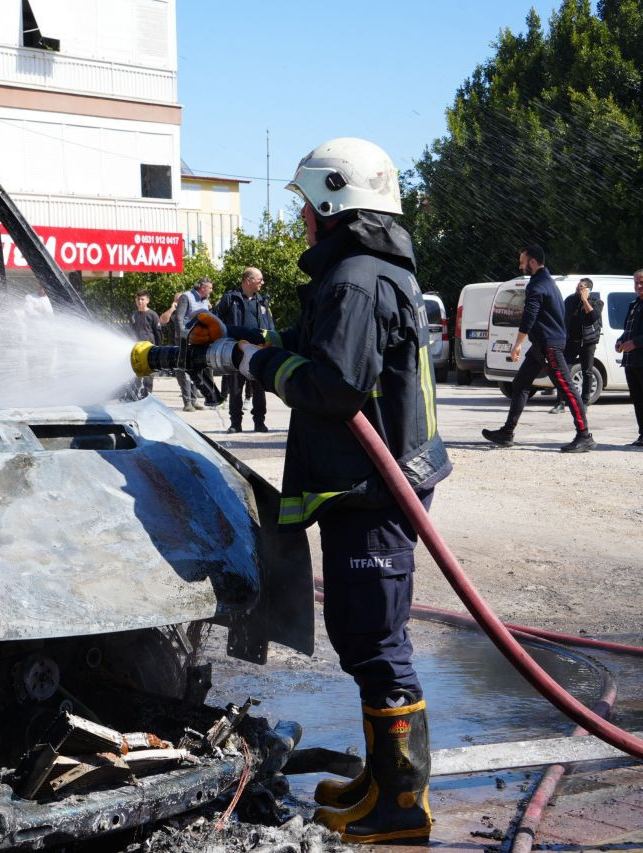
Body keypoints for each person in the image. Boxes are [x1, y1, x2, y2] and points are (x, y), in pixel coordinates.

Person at [223, 137, 449, 843]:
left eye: (305, 207)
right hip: (372, 485)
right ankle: (384, 780)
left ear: (331, 202)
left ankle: (402, 807)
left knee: (378, 643)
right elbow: (319, 347)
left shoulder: (355, 278)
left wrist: (257, 364)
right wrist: (240, 341)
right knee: (362, 635)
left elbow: (332, 384)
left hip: (372, 488)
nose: (301, 222)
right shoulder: (368, 272)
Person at [481, 246, 595, 452]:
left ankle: (584, 435)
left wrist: (516, 345)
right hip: (542, 345)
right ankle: (507, 432)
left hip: (549, 345)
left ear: (532, 262)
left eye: (522, 261)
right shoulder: (547, 282)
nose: (520, 265)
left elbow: (529, 316)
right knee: (521, 384)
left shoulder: (537, 285)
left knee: (567, 388)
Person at [215, 267, 275, 432]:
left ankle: (259, 422)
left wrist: (270, 342)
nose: (262, 282)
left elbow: (270, 325)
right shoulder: (230, 299)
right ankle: (235, 424)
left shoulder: (262, 301)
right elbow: (216, 320)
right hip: (235, 351)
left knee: (259, 388)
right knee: (235, 388)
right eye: (259, 279)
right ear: (248, 280)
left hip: (258, 351)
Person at [548, 278, 602, 414]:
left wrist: (585, 301)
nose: (578, 290)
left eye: (581, 288)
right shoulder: (570, 300)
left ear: (588, 290)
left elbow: (593, 317)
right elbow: (562, 318)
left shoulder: (596, 301)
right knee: (563, 371)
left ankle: (584, 402)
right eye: (577, 287)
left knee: (587, 372)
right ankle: (560, 403)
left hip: (587, 342)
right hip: (571, 341)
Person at [174, 276, 223, 410]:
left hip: (199, 340)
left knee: (197, 368)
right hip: (186, 339)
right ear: (203, 288)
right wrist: (184, 338)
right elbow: (178, 318)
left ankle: (195, 400)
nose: (211, 291)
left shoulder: (205, 300)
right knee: (185, 369)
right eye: (210, 288)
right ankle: (187, 402)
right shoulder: (186, 297)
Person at [158, 292, 199, 410]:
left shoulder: (189, 313)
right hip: (176, 347)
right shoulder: (173, 314)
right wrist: (171, 309)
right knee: (183, 375)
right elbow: (162, 320)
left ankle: (194, 399)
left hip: (191, 345)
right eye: (178, 300)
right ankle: (187, 402)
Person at [617, 269, 643, 446]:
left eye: (642, 282)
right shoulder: (634, 304)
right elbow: (627, 331)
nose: (639, 286)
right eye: (636, 283)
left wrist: (635, 343)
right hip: (631, 361)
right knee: (638, 399)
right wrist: (620, 341)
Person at [129, 290, 163, 399]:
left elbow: (158, 333)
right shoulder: (133, 315)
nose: (140, 301)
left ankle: (147, 398)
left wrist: (158, 349)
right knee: (135, 376)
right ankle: (134, 398)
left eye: (142, 299)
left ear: (147, 300)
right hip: (136, 351)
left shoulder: (153, 315)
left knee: (148, 377)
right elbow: (130, 332)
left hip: (149, 351)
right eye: (138, 299)